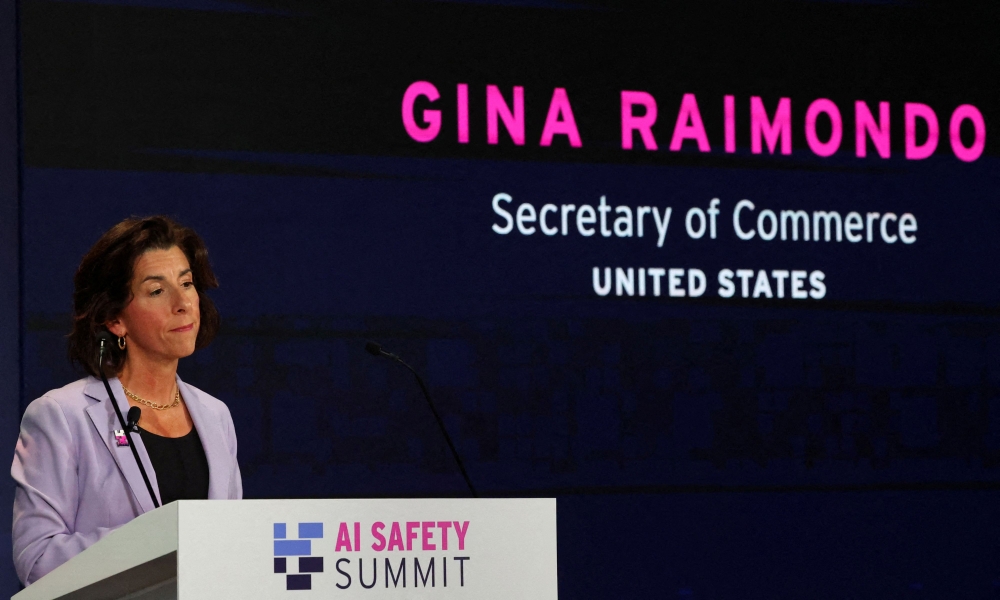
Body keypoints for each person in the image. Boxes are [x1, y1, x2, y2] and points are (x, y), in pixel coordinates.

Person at [10, 216, 242, 585]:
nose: (183, 303)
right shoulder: (61, 416)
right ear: (116, 319)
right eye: (157, 291)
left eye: (187, 283)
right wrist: (157, 541)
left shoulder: (216, 416)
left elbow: (231, 549)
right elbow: (37, 560)